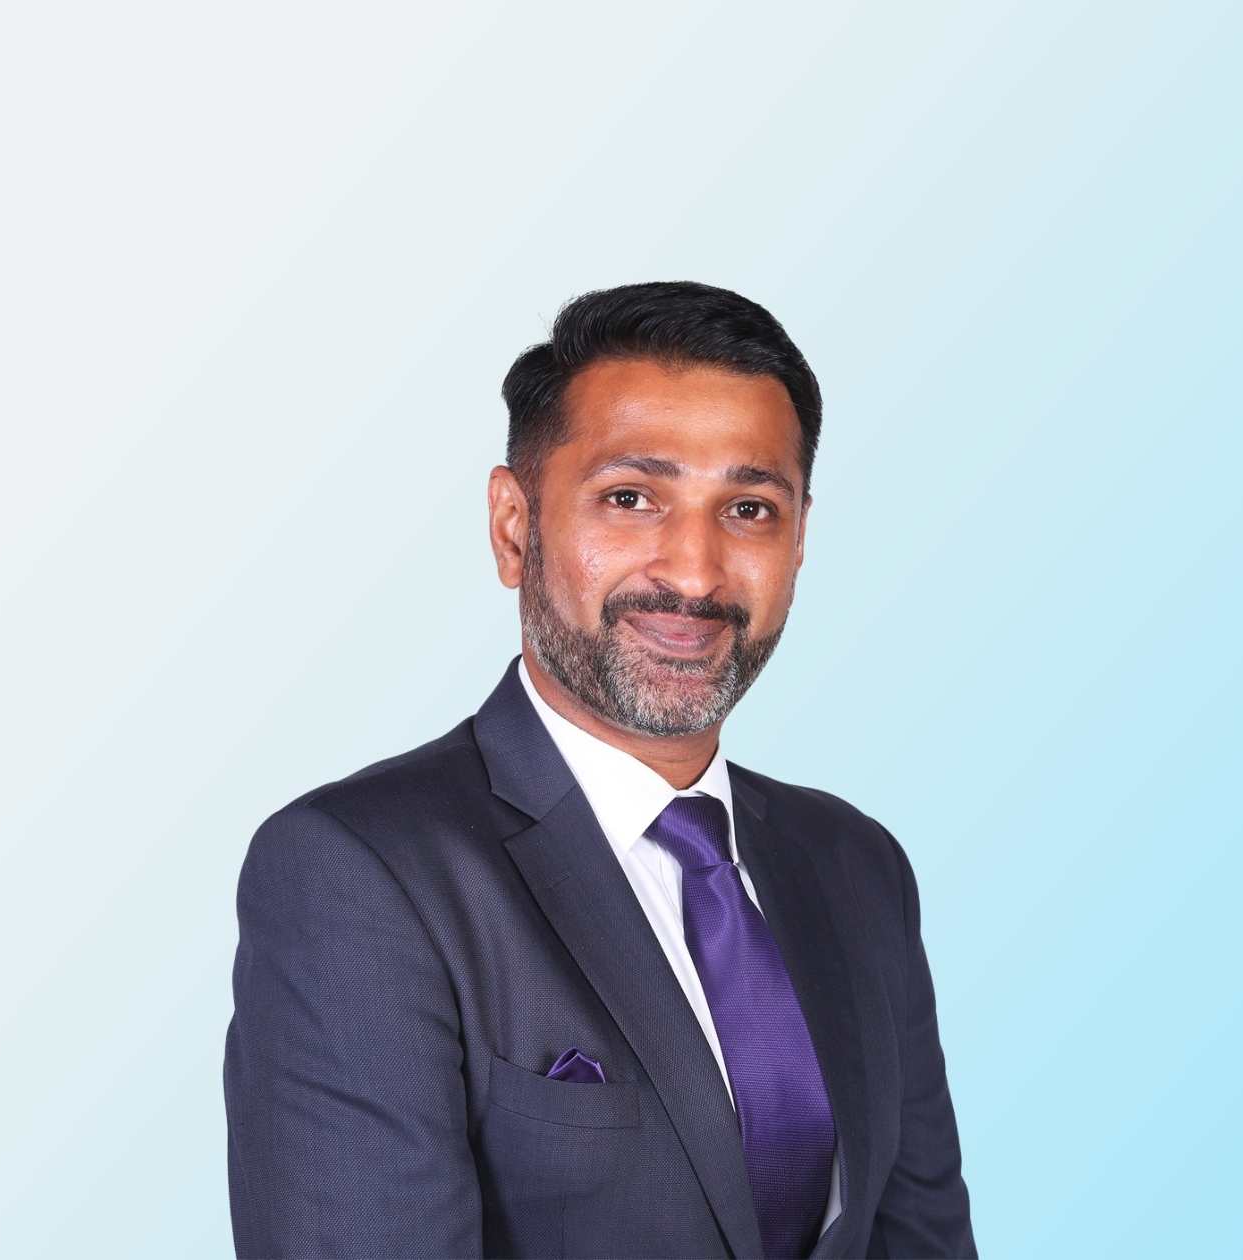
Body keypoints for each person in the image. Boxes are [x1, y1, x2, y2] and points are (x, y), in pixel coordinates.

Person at [223, 281, 976, 1258]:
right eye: (630, 499)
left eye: (749, 508)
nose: (695, 572)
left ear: (798, 540)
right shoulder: (361, 875)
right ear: (513, 527)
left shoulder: (855, 865)